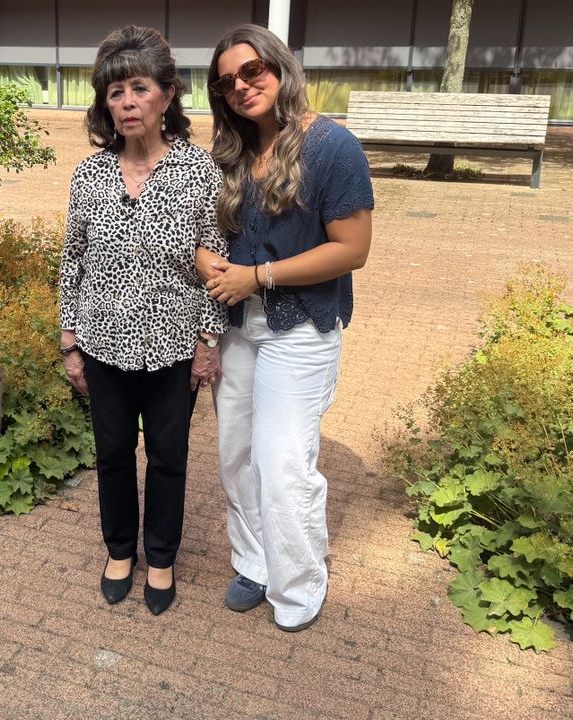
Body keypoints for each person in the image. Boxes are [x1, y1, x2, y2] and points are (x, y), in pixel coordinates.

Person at [197, 24, 374, 632]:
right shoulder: (231, 152)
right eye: (226, 83)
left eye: (252, 71)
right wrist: (206, 259)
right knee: (236, 456)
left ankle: (298, 584)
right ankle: (254, 563)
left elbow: (352, 249)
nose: (241, 87)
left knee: (282, 463)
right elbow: (208, 234)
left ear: (280, 67)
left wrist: (259, 276)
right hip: (237, 326)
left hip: (300, 327)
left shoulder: (331, 147)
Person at [59, 25, 227, 616]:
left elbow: (216, 262)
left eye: (138, 88)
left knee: (168, 457)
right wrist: (69, 340)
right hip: (102, 345)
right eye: (114, 93)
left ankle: (160, 557)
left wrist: (208, 340)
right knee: (111, 454)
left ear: (167, 94)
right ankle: (119, 551)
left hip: (173, 346)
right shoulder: (90, 174)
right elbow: (74, 259)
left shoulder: (200, 172)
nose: (126, 103)